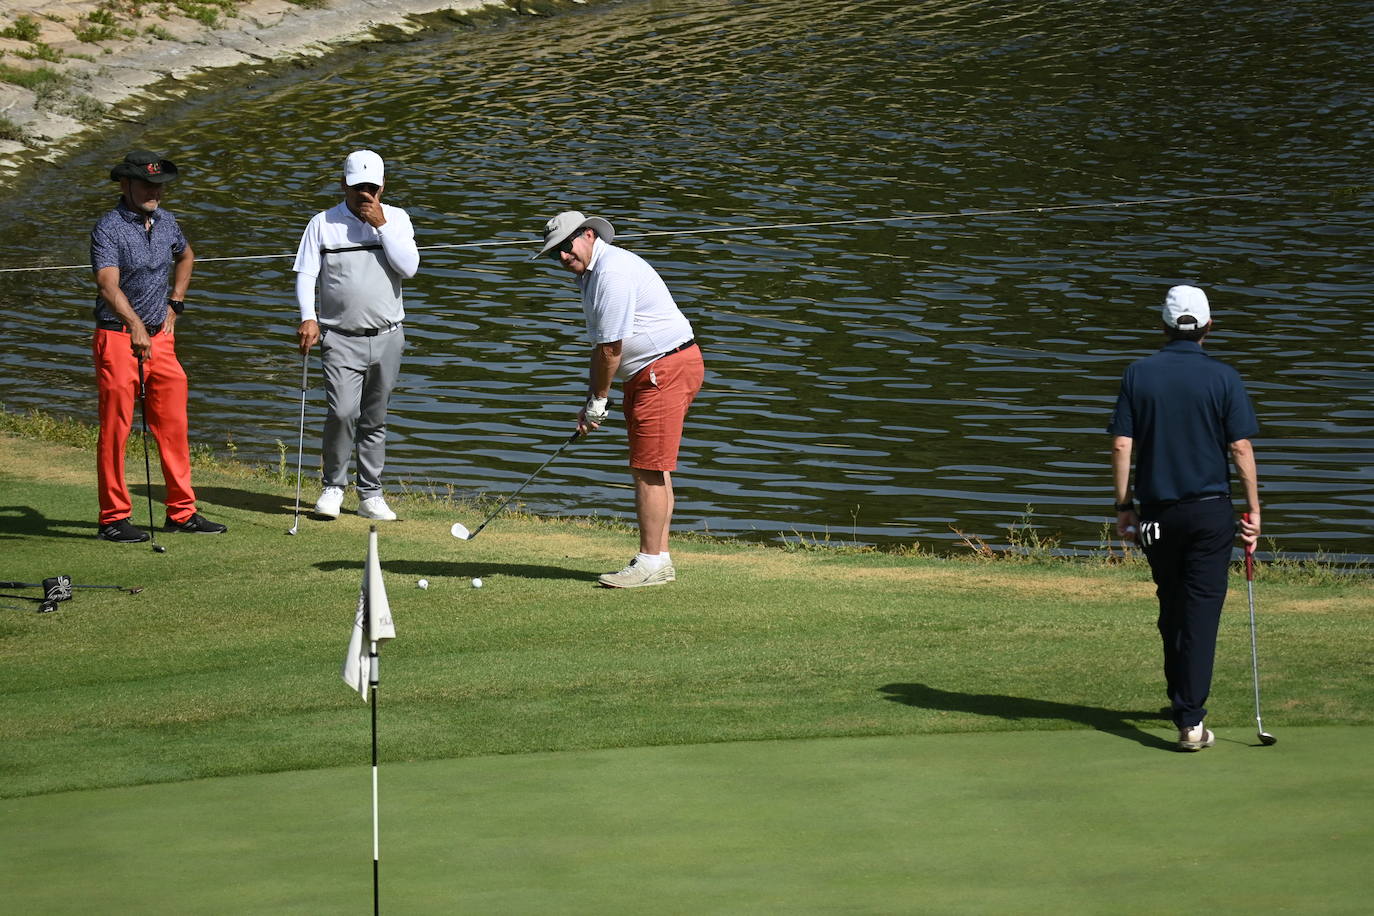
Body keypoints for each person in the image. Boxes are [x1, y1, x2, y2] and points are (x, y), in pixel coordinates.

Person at [1108, 285, 1261, 751]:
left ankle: (1183, 702)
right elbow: (1240, 448)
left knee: (1172, 606)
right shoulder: (1224, 377)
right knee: (1199, 613)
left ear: (1164, 326)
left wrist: (1123, 507)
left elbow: (1121, 445)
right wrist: (1254, 509)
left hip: (1157, 515)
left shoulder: (1138, 373)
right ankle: (1190, 718)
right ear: (1209, 326)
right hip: (1210, 512)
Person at [536, 210, 706, 588]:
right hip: (652, 370)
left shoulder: (611, 273)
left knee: (648, 468)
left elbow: (611, 350)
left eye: (566, 247)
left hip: (665, 369)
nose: (562, 257)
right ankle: (658, 558)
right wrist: (592, 399)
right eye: (554, 254)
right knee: (652, 466)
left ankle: (650, 563)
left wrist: (597, 401)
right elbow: (603, 350)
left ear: (588, 235)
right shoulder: (591, 273)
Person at [90, 149, 227, 541]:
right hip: (117, 337)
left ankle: (181, 512)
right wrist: (133, 322)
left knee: (173, 427)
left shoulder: (167, 222)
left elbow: (186, 257)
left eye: (160, 185)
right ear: (126, 184)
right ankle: (113, 518)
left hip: (161, 339)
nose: (156, 192)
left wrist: (176, 302)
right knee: (115, 430)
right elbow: (107, 284)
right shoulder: (108, 227)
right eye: (148, 184)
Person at [293, 150, 419, 521]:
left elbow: (409, 268)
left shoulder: (396, 219)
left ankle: (370, 494)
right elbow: (305, 273)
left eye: (372, 187)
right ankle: (333, 486)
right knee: (342, 412)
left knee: (375, 417)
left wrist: (382, 225)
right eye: (357, 187)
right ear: (343, 184)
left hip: (388, 334)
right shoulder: (323, 223)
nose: (365, 194)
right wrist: (308, 317)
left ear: (383, 187)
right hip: (339, 335)